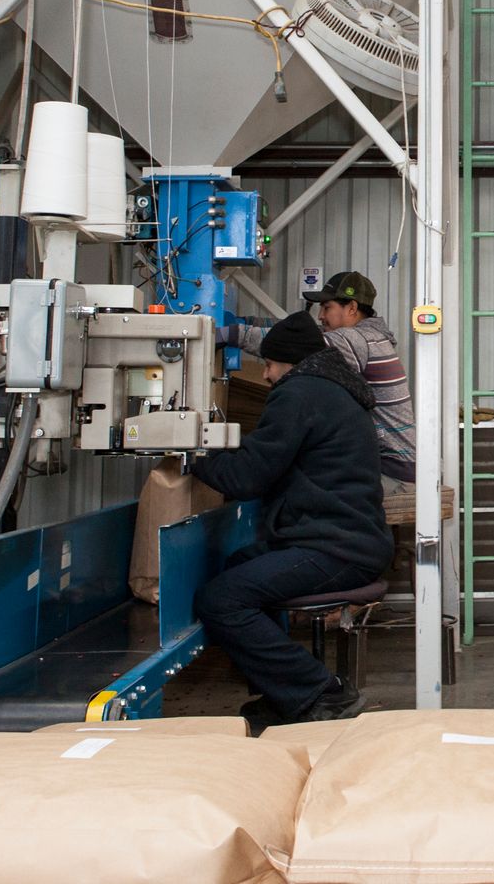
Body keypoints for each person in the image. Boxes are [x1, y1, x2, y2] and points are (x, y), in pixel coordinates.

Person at [190, 311, 392, 729]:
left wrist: (193, 456)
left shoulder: (299, 393)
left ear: (289, 362)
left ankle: (322, 692)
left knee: (222, 599)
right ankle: (285, 694)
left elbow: (248, 477)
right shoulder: (334, 389)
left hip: (337, 548)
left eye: (268, 364)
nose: (265, 375)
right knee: (240, 566)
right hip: (349, 539)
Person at [220, 270, 416, 492]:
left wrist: (230, 334)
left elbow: (295, 343)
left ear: (352, 308)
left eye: (327, 307)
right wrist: (247, 322)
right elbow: (296, 331)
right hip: (389, 466)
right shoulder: (369, 337)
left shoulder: (358, 340)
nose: (321, 315)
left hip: (392, 474)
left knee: (292, 490)